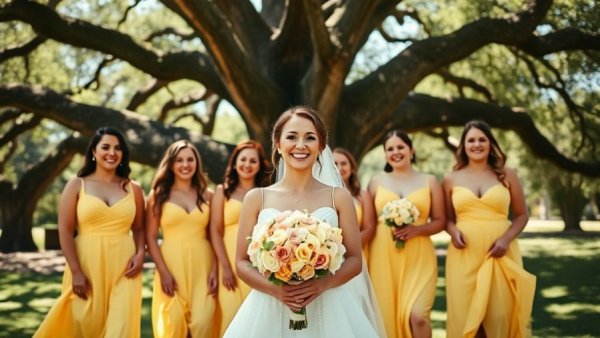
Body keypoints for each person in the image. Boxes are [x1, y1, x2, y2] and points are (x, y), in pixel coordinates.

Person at [223, 105, 385, 337]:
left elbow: (354, 260)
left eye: (310, 138)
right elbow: (241, 262)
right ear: (278, 144)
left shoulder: (338, 196)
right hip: (270, 306)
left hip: (329, 307)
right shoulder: (256, 198)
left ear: (320, 146)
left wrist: (321, 285)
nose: (300, 145)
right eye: (291, 137)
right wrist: (277, 291)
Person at [34, 127, 145, 338]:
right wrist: (76, 271)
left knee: (121, 330)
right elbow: (65, 232)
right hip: (86, 266)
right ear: (93, 152)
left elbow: (139, 228)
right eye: (105, 147)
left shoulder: (134, 189)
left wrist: (140, 254)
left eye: (118, 148)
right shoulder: (77, 185)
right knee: (85, 328)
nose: (112, 153)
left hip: (125, 267)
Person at [444, 120, 536, 338]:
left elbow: (522, 215)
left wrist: (506, 239)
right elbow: (446, 219)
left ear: (491, 143)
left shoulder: (507, 174)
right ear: (463, 146)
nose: (477, 144)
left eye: (482, 139)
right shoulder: (450, 178)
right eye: (471, 140)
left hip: (500, 255)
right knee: (467, 317)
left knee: (498, 317)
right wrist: (453, 231)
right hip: (464, 255)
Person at [367, 130, 445, 338]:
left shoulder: (430, 181)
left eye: (400, 147)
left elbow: (440, 221)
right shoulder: (375, 183)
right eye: (390, 149)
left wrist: (417, 230)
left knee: (418, 316)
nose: (396, 152)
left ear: (411, 150)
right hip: (383, 258)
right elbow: (368, 224)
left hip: (419, 256)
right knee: (385, 317)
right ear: (385, 155)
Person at [146, 140, 218, 338]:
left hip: (203, 266)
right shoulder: (158, 195)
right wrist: (163, 272)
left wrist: (215, 269)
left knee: (203, 323)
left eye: (190, 160)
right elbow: (150, 238)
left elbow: (214, 235)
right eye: (179, 160)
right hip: (171, 265)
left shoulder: (208, 195)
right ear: (170, 164)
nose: (185, 165)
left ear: (197, 163)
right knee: (174, 325)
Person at [210, 140, 270, 336]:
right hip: (229, 262)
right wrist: (225, 267)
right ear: (234, 163)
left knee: (259, 320)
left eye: (253, 161)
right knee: (230, 316)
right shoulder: (222, 191)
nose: (247, 164)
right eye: (242, 159)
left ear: (260, 164)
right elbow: (215, 231)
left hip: (259, 263)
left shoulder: (266, 193)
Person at [333, 147, 376, 252]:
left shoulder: (362, 195)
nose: (339, 168)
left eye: (344, 164)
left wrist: (347, 251)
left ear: (352, 168)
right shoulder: (321, 193)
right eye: (334, 164)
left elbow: (369, 229)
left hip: (355, 252)